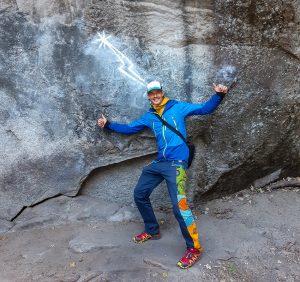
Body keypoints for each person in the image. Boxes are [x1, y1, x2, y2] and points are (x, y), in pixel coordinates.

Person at [98, 81, 228, 269]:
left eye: (157, 92)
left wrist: (219, 95)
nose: (155, 96)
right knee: (140, 193)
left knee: (180, 207)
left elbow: (205, 109)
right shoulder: (149, 116)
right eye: (152, 94)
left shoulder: (178, 107)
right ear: (149, 97)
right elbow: (130, 128)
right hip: (160, 162)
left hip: (177, 163)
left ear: (162, 92)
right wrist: (107, 125)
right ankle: (152, 230)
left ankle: (194, 249)